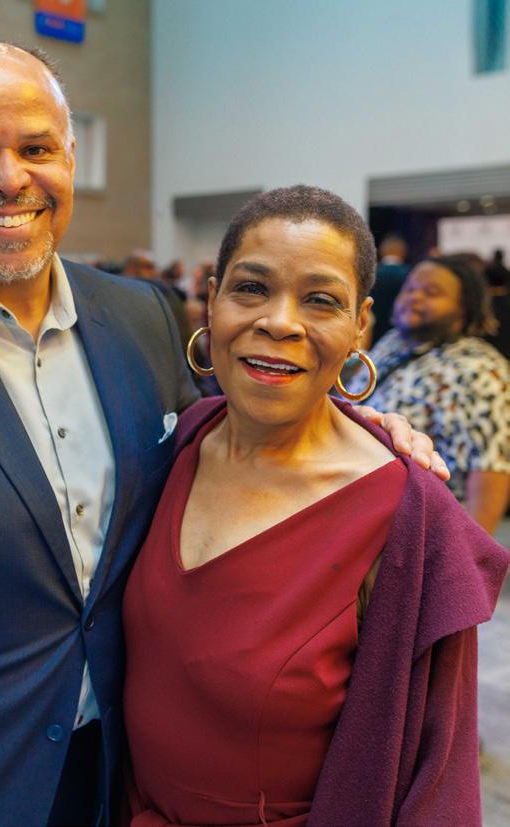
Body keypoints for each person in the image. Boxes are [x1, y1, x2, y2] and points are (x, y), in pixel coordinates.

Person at [0, 44, 443, 827]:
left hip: (121, 779)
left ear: (70, 159)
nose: (9, 178)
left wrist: (359, 426)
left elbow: (230, 439)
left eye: (35, 148)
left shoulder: (138, 316)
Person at [123, 186, 508, 827]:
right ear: (212, 300)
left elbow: (438, 782)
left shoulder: (404, 516)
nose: (280, 322)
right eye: (251, 288)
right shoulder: (183, 438)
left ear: (360, 324)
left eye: (320, 300)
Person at [353, 255, 510, 535]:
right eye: (410, 288)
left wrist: (469, 558)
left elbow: (491, 472)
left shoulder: (481, 370)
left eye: (431, 292)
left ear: (463, 308)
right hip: (361, 518)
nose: (414, 297)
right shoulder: (393, 342)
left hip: (425, 534)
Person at [368, 233, 410, 345]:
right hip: (402, 335)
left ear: (382, 251)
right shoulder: (411, 275)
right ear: (403, 251)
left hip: (372, 336)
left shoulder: (370, 275)